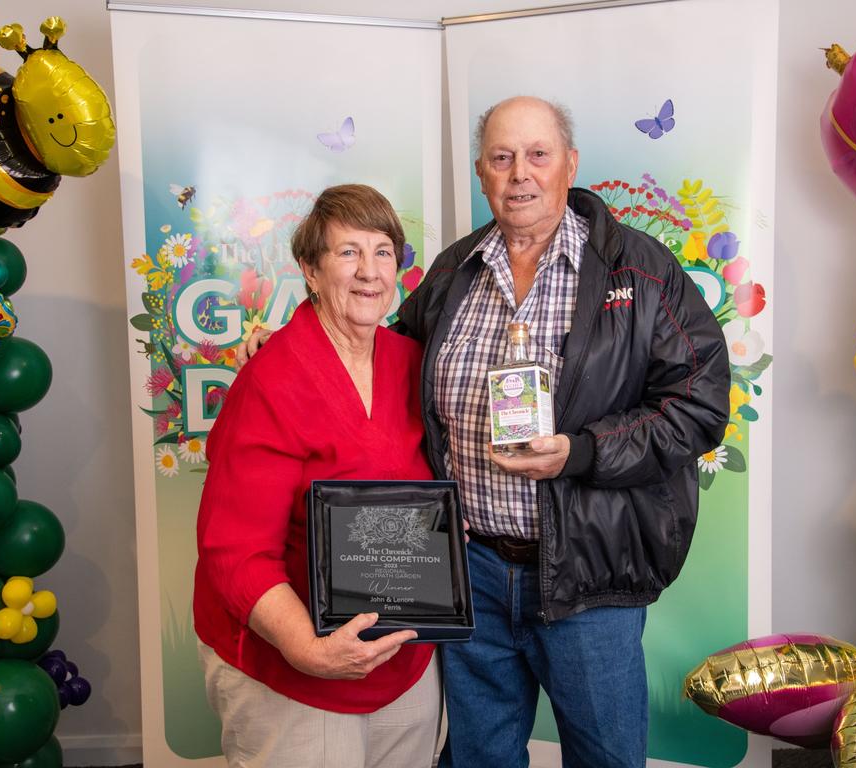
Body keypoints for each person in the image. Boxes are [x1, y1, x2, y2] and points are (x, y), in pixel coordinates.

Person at [241, 96, 730, 768]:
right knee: (481, 757)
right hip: (467, 575)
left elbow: (698, 405)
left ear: (569, 165)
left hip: (587, 578)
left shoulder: (639, 272)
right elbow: (383, 355)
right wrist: (294, 338)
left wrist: (579, 453)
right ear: (481, 172)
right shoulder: (455, 271)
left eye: (538, 155)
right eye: (502, 158)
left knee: (606, 759)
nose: (520, 173)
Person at [193, 184, 441, 768]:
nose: (369, 272)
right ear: (309, 268)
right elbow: (234, 549)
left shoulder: (412, 362)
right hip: (292, 663)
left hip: (404, 658)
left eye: (383, 252)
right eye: (348, 253)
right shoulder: (270, 379)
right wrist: (308, 647)